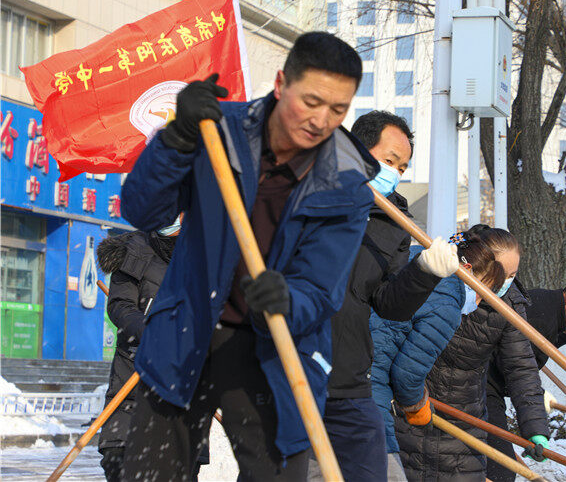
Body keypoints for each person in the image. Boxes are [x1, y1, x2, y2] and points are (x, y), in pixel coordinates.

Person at [120, 32, 379, 481]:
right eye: (312, 101)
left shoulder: (347, 186)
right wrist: (176, 140)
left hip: (278, 350)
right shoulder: (217, 131)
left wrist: (287, 300)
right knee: (149, 474)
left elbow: (321, 290)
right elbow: (143, 211)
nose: (321, 121)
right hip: (186, 331)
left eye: (338, 110)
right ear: (281, 84)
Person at [306, 111, 458, 481]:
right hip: (291, 369)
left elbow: (389, 304)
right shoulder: (306, 195)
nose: (395, 173)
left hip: (349, 376)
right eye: (389, 161)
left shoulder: (394, 222)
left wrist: (424, 273)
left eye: (402, 167)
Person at [376, 225, 550, 481]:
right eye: (504, 274)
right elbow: (406, 364)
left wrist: (535, 425)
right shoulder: (440, 291)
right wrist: (413, 401)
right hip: (411, 407)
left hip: (464, 415)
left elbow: (521, 366)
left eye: (514, 275)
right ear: (478, 264)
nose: (507, 282)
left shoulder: (509, 305)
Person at [96, 215, 206, 481]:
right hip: (132, 381)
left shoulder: (208, 255)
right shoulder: (134, 250)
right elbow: (120, 306)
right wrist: (151, 332)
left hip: (183, 389)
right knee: (119, 463)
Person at [485, 275, 566, 481]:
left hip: (489, 387)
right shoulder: (542, 315)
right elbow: (519, 370)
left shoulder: (555, 315)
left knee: (494, 466)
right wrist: (534, 423)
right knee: (500, 471)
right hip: (480, 386)